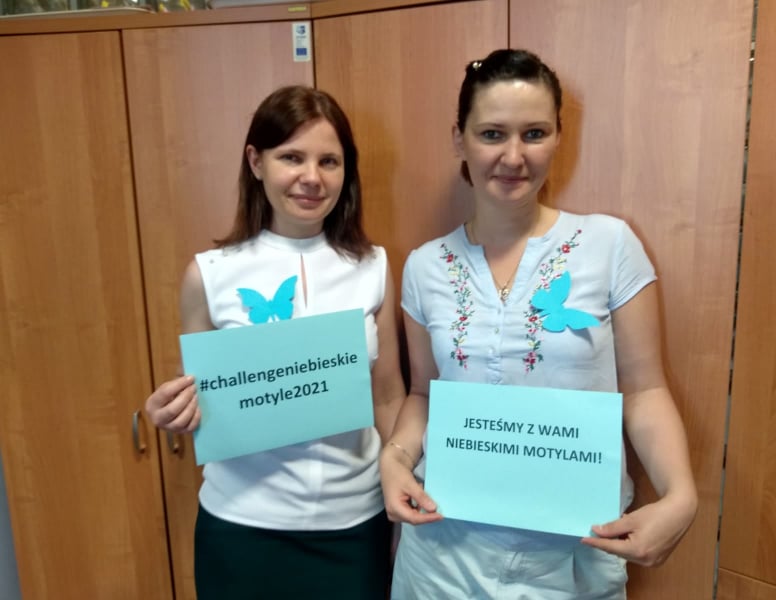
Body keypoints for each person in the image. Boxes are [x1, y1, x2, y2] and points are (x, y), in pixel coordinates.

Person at [380, 49, 698, 599]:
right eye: (492, 134)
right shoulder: (425, 266)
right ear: (459, 139)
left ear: (558, 137)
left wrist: (680, 495)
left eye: (534, 133)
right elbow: (423, 394)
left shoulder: (609, 245)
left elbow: (645, 390)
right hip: (441, 555)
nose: (513, 156)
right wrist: (396, 457)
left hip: (572, 558)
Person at [144, 85, 405, 599]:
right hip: (243, 528)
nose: (312, 177)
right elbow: (201, 399)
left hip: (355, 524)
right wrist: (173, 410)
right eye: (292, 157)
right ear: (255, 162)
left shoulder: (373, 266)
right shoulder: (209, 274)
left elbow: (388, 395)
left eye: (329, 161)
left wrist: (401, 484)